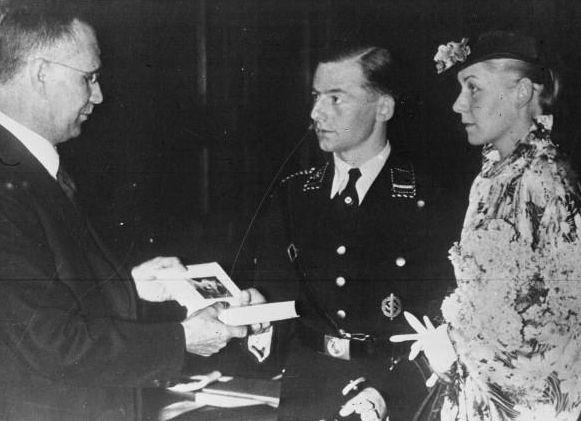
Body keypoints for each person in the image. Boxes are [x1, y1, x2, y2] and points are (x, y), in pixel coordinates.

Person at [0, 3, 264, 420]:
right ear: (40, 73)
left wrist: (130, 285)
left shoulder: (27, 167)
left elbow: (43, 292)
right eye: (89, 77)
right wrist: (182, 339)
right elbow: (50, 342)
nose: (99, 95)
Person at [247, 44, 458, 421]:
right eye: (316, 97)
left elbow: (446, 324)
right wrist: (254, 309)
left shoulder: (431, 201)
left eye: (336, 98)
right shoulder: (294, 195)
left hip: (394, 396)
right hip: (306, 392)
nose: (316, 113)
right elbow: (275, 300)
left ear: (383, 107)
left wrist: (389, 393)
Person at [392, 31, 581, 421]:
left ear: (522, 93)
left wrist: (459, 346)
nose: (458, 104)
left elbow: (567, 325)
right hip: (479, 396)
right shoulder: (490, 177)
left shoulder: (546, 179)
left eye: (473, 88)